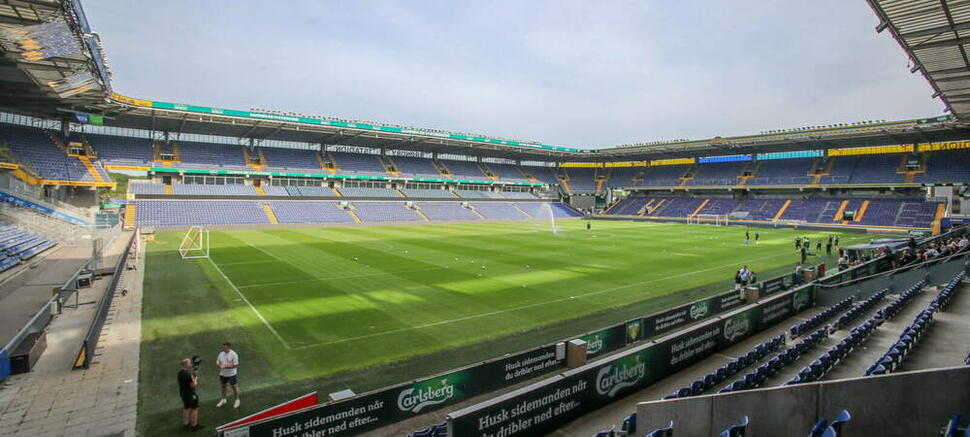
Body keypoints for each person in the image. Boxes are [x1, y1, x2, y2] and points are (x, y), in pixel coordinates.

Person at [178, 358, 201, 431]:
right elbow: (193, 385)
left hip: (183, 393)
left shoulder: (179, 373)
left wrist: (193, 375)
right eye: (189, 363)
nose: (190, 364)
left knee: (186, 407)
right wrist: (196, 377)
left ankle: (186, 424)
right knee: (194, 408)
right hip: (190, 394)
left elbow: (187, 381)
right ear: (186, 364)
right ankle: (194, 425)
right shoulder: (188, 374)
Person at [216, 343, 241, 408]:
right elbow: (217, 363)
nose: (223, 349)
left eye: (224, 348)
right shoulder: (221, 353)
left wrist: (225, 366)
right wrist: (219, 366)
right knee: (223, 386)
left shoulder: (234, 354)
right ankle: (224, 399)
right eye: (223, 348)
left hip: (232, 374)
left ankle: (237, 400)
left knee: (234, 387)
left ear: (229, 348)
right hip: (223, 374)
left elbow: (236, 365)